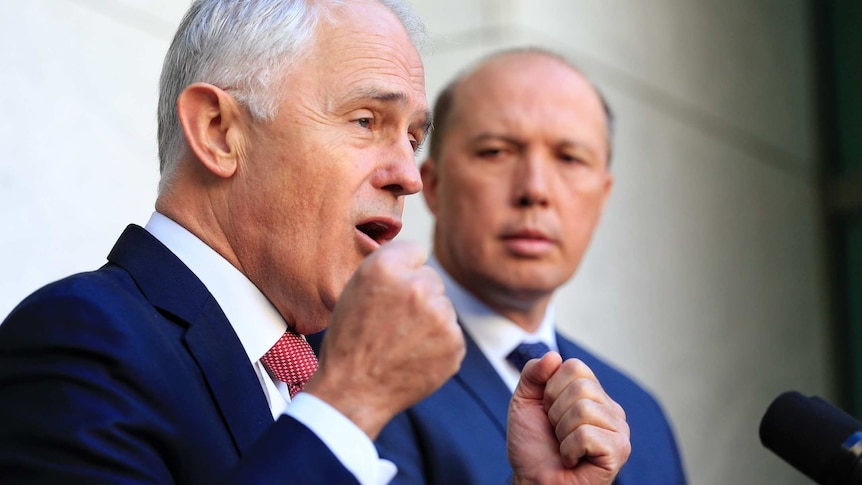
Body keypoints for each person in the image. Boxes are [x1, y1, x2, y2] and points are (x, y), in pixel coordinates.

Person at [0, 3, 630, 485]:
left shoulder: (326, 369)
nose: (409, 175)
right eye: (366, 121)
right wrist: (349, 404)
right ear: (219, 132)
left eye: (412, 138)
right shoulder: (80, 340)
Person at [374, 47, 688, 484]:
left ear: (602, 197)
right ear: (433, 185)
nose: (535, 189)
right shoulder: (361, 368)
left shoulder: (643, 419)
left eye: (570, 158)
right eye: (497, 152)